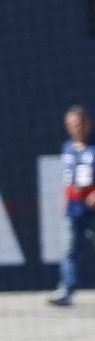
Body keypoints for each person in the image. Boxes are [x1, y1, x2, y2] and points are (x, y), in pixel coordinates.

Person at [49, 105, 95, 306]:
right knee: (68, 250)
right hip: (73, 208)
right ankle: (66, 290)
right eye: (70, 125)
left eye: (78, 124)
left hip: (92, 210)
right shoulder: (67, 148)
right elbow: (68, 179)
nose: (75, 128)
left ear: (87, 124)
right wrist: (65, 200)